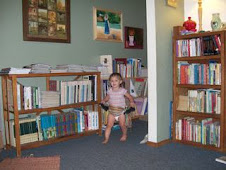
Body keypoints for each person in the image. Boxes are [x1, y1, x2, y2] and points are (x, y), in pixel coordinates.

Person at [101, 73, 135, 144]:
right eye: (112, 81)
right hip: (112, 112)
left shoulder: (122, 90)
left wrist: (131, 102)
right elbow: (107, 97)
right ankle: (106, 139)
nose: (114, 82)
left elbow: (130, 97)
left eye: (116, 80)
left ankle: (124, 134)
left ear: (120, 81)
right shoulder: (110, 90)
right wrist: (104, 100)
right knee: (109, 125)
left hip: (121, 112)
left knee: (122, 125)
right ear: (110, 82)